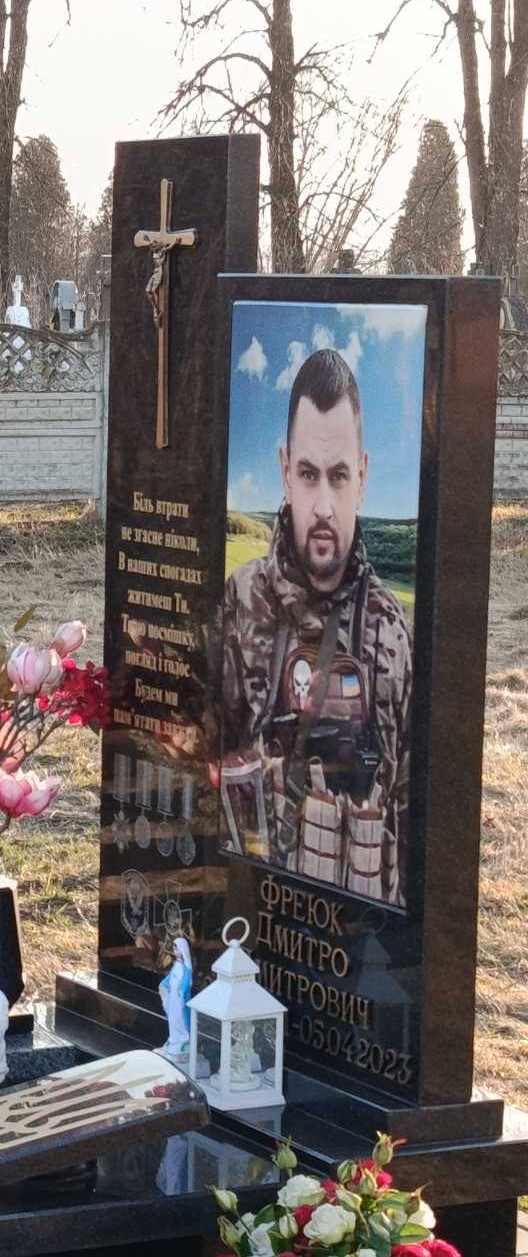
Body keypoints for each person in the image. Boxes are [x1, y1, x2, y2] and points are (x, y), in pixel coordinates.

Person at [220, 347, 412, 907]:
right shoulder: (240, 602)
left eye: (339, 476)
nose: (324, 505)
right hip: (252, 919)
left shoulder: (391, 632)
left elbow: (408, 810)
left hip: (359, 931)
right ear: (285, 471)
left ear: (363, 477)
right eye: (308, 474)